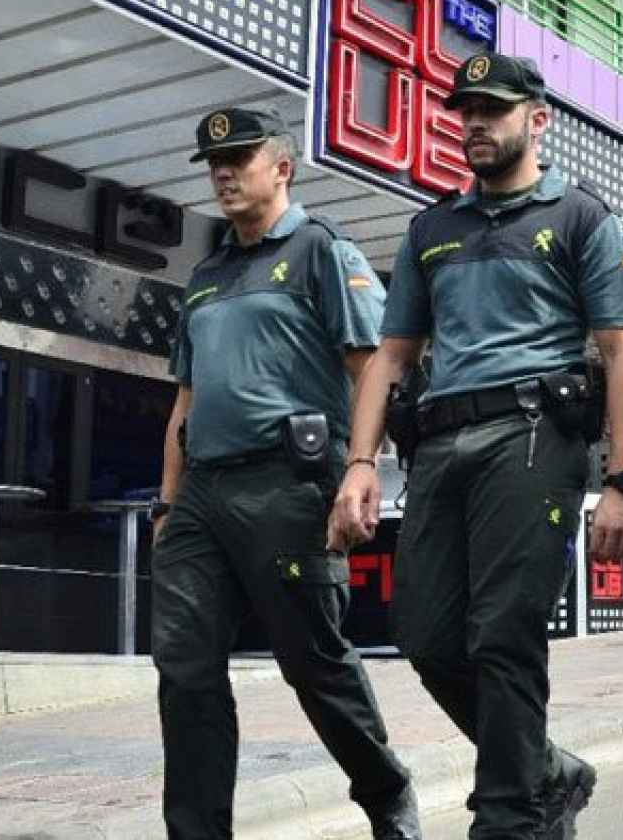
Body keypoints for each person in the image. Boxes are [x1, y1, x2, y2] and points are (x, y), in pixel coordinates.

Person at [333, 52, 623, 840]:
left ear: (536, 120)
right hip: (440, 446)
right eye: (466, 109)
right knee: (426, 636)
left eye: (494, 109)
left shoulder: (579, 217)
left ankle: (507, 818)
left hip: (533, 435)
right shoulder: (430, 228)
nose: (475, 122)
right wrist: (361, 465)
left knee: (504, 633)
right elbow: (391, 358)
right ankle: (545, 771)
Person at [151, 107, 419, 840]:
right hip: (202, 495)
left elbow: (373, 371)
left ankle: (386, 788)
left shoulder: (318, 251)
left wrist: (361, 468)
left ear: (282, 167)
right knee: (184, 669)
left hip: (290, 483)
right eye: (214, 163)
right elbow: (187, 398)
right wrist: (169, 505)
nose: (225, 173)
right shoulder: (206, 278)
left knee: (313, 663)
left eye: (240, 157)